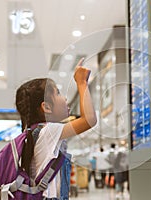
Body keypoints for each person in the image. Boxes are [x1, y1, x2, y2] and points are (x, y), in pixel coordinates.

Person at [15, 58, 97, 199]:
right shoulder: (48, 131)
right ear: (46, 107)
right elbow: (89, 120)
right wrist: (82, 82)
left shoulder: (37, 133)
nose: (65, 98)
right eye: (58, 93)